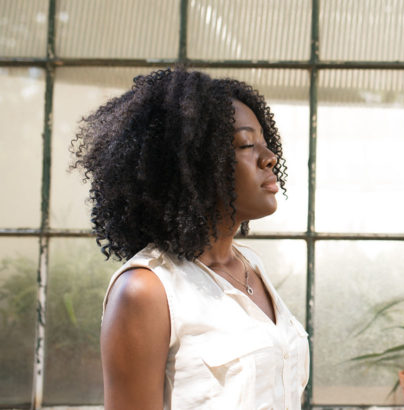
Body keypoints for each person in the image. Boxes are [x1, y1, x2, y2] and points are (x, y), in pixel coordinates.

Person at [71, 68, 309, 409]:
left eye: (265, 142)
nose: (270, 157)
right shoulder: (147, 291)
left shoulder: (249, 264)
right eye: (245, 144)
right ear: (195, 166)